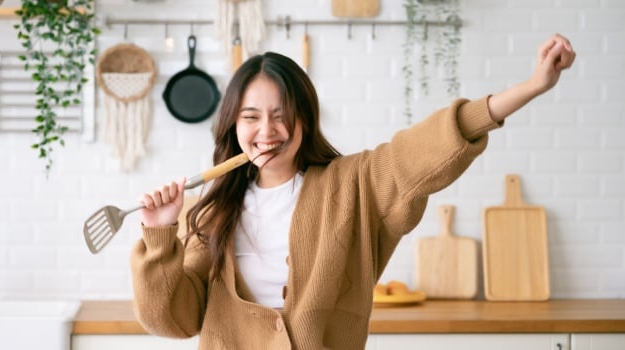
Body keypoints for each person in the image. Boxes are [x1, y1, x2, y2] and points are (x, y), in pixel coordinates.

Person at [130, 34, 576, 349]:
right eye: (251, 117)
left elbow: (427, 147)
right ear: (233, 125)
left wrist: (531, 86)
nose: (268, 131)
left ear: (305, 121)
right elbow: (174, 321)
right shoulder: (208, 212)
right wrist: (159, 236)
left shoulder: (352, 185)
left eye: (282, 115)